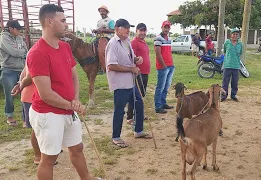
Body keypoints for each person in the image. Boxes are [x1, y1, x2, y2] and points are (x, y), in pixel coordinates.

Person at [27, 4, 102, 180]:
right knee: (49, 159)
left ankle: (87, 178)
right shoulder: (37, 53)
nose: (66, 24)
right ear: (49, 21)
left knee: (77, 148)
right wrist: (72, 105)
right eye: (63, 20)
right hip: (48, 113)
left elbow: (74, 77)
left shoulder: (65, 47)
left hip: (68, 109)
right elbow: (46, 94)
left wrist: (75, 99)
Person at [106, 19, 152, 148]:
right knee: (120, 111)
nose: (128, 30)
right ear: (117, 29)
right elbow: (111, 66)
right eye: (124, 27)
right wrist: (131, 69)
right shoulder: (113, 44)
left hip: (131, 82)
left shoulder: (127, 42)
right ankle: (116, 137)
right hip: (120, 84)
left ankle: (138, 131)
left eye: (128, 27)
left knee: (139, 104)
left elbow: (130, 59)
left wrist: (136, 59)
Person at [0, 20, 27, 126]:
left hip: (21, 69)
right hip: (8, 70)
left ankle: (25, 118)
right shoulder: (3, 38)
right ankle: (9, 116)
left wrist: (20, 52)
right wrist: (21, 53)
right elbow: (14, 52)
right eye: (18, 29)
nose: (19, 31)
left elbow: (26, 50)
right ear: (11, 28)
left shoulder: (19, 38)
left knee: (24, 94)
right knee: (10, 95)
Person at [126, 23, 150, 125]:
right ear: (136, 31)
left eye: (144, 31)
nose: (142, 33)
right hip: (138, 73)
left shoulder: (144, 42)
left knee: (141, 95)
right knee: (135, 96)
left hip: (145, 73)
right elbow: (131, 58)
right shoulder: (134, 43)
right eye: (140, 30)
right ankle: (130, 117)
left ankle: (139, 114)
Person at [154, 20, 174, 114]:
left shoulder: (168, 38)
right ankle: (158, 106)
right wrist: (164, 65)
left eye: (168, 27)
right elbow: (158, 53)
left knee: (166, 86)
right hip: (163, 67)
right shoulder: (158, 38)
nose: (166, 29)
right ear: (161, 27)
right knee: (160, 87)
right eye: (165, 27)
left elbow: (168, 52)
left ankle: (163, 103)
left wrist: (171, 64)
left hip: (170, 65)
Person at [221, 28, 243, 102]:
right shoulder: (227, 43)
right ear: (231, 35)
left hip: (236, 66)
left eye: (236, 34)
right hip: (227, 65)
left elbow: (240, 53)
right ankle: (224, 96)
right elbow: (224, 51)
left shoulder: (240, 44)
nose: (235, 36)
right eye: (234, 34)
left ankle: (233, 95)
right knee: (225, 82)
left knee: (235, 82)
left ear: (238, 35)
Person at [92, 5, 115, 73]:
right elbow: (99, 30)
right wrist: (95, 30)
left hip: (106, 37)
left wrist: (103, 30)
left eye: (103, 11)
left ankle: (103, 68)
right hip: (98, 37)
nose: (102, 13)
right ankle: (95, 65)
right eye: (101, 11)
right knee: (90, 48)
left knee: (101, 50)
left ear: (107, 12)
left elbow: (113, 30)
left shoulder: (110, 21)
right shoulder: (99, 21)